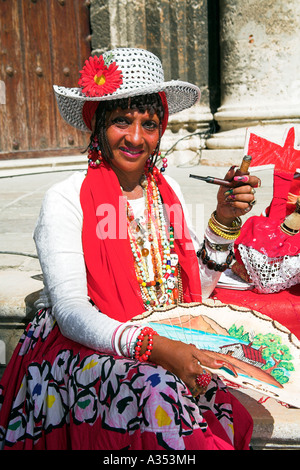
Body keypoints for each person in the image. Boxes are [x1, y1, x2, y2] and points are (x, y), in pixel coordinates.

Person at [0, 48, 259, 450]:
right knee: (156, 389)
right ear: (98, 123)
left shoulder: (165, 193)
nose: (136, 137)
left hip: (157, 335)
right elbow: (71, 312)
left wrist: (223, 221)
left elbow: (191, 291)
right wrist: (156, 348)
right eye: (122, 120)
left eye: (149, 123)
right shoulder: (65, 199)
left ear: (161, 129)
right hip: (82, 346)